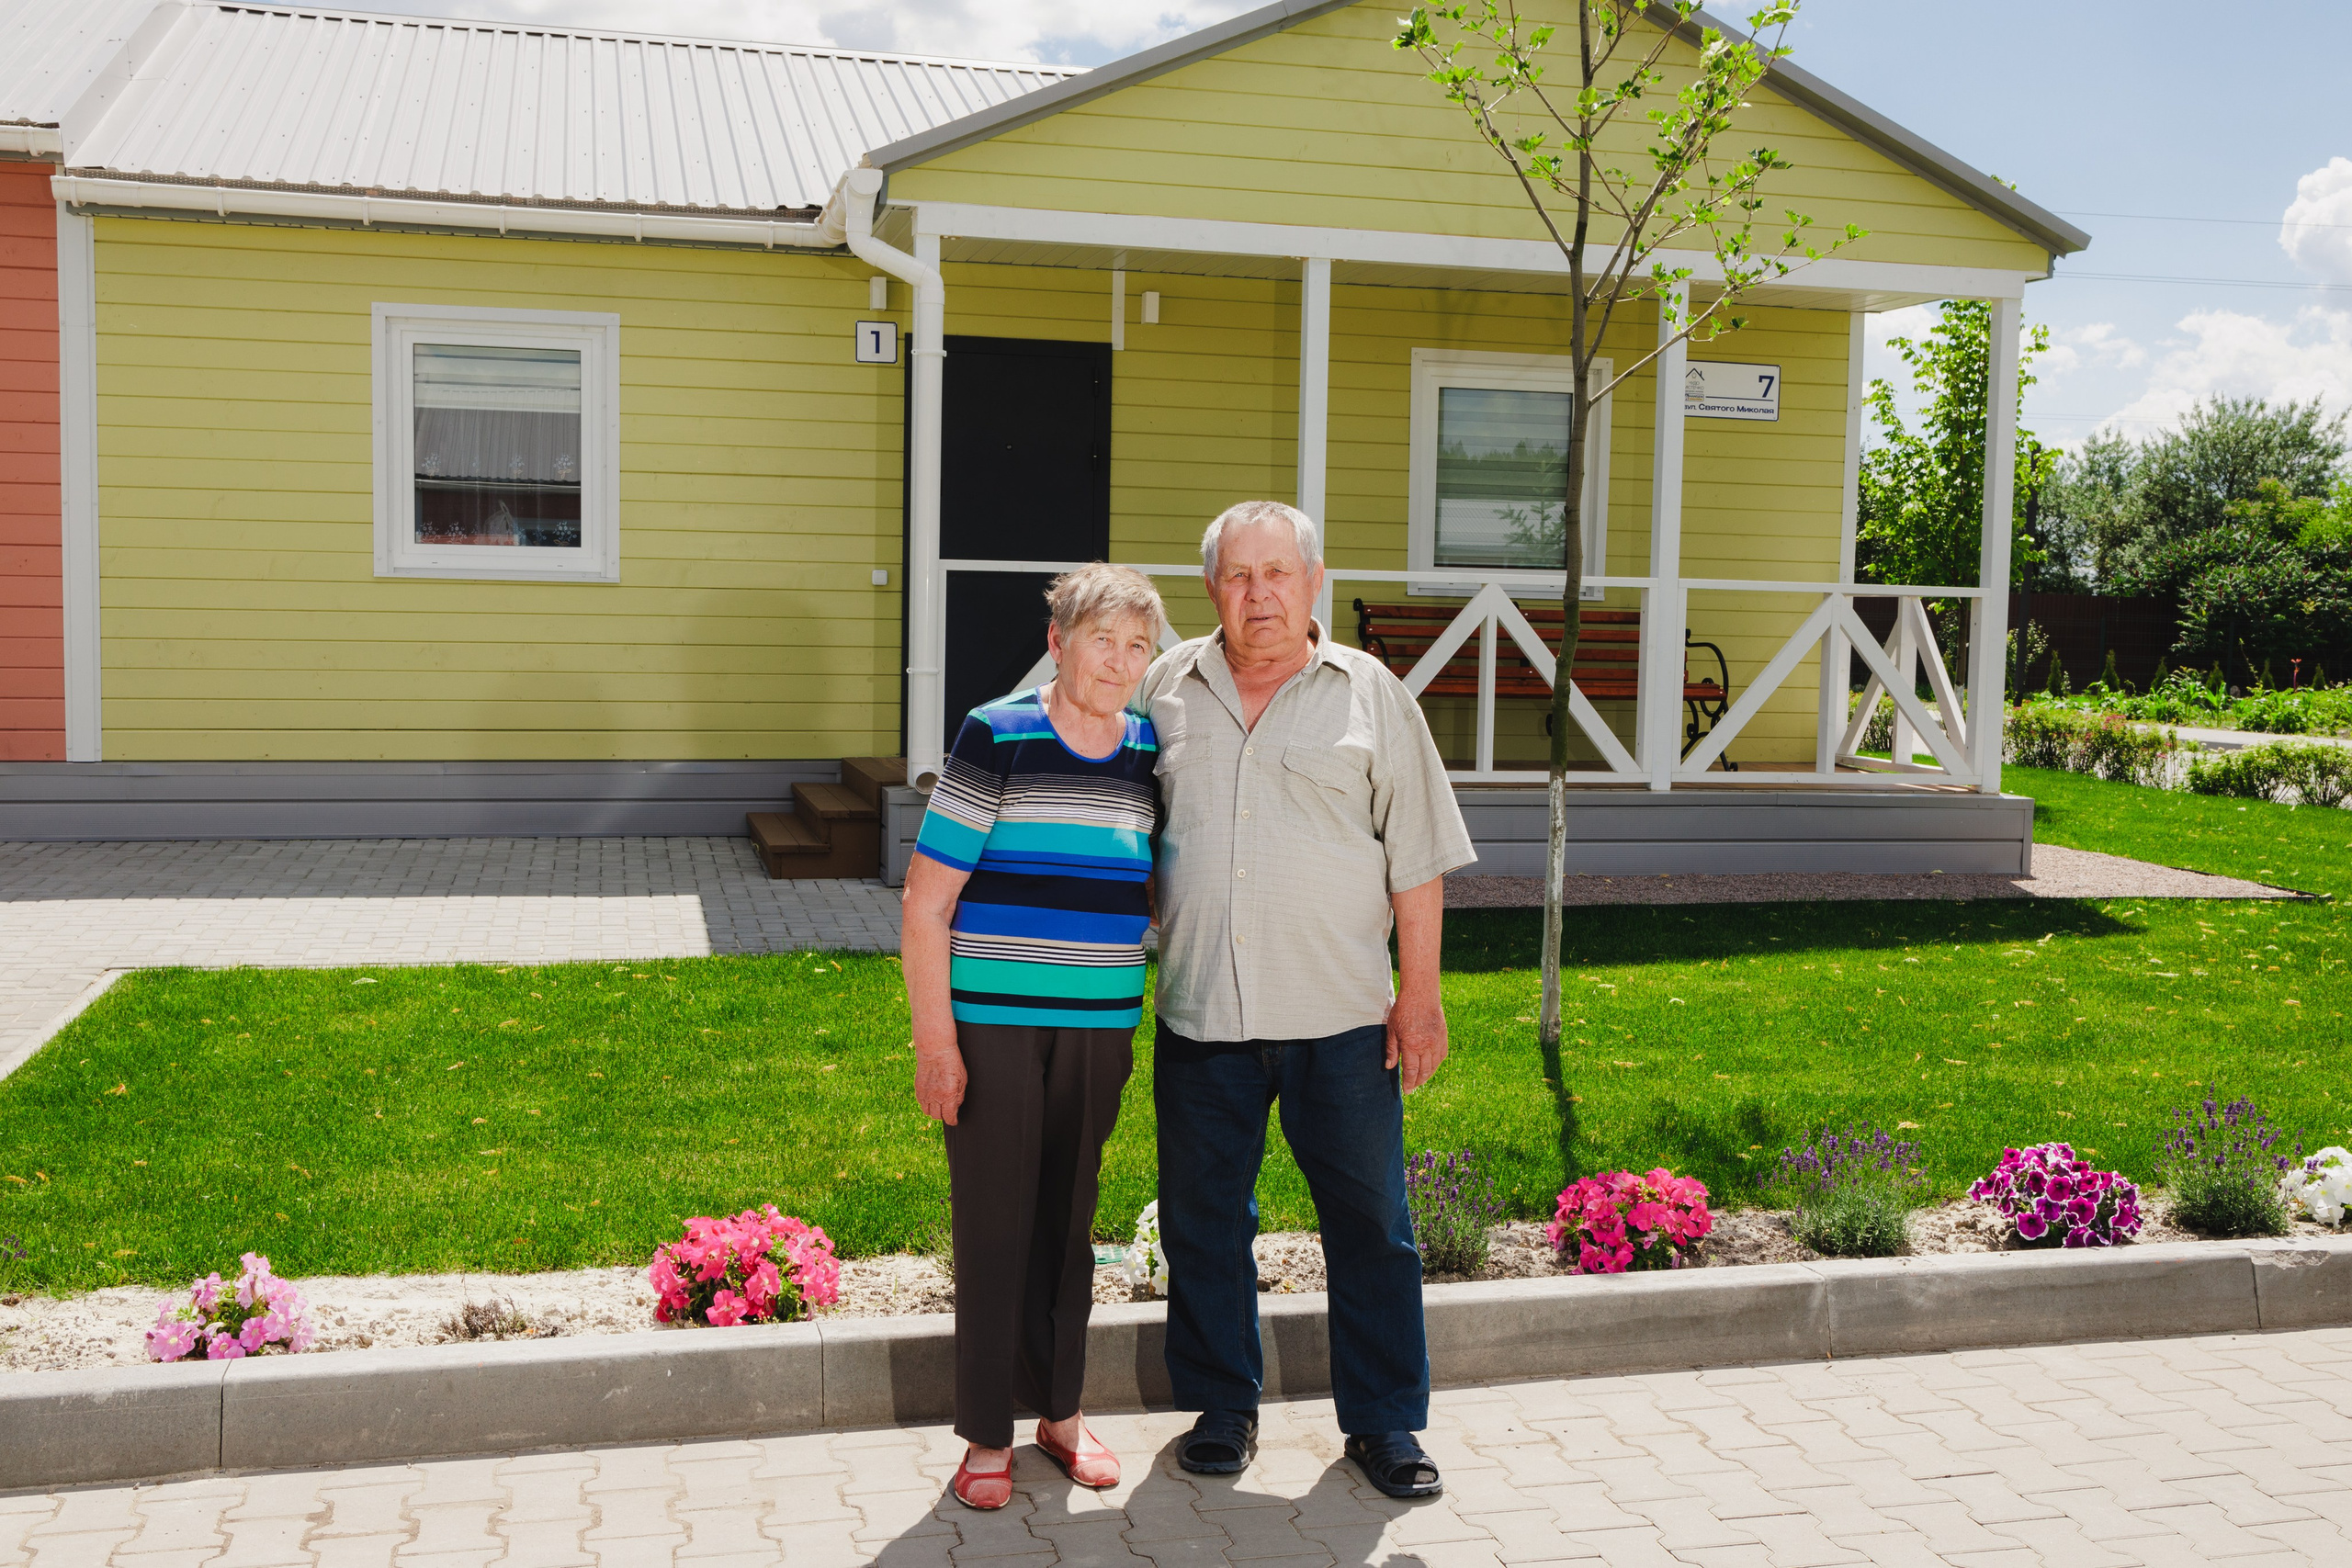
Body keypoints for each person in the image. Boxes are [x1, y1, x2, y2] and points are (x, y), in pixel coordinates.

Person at [1136, 499, 1475, 1500]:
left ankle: (1384, 1426)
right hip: (1203, 1015)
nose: (1259, 595)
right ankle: (1221, 1408)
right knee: (1203, 1221)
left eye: (1278, 573)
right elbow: (1130, 828)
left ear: (1314, 581)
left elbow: (1416, 861)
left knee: (1371, 1226)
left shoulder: (1371, 695)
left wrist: (1420, 997)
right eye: (1239, 577)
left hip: (1341, 1021)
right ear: (1212, 591)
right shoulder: (1164, 687)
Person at [901, 562, 1168, 1510]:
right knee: (995, 1222)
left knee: (1067, 1224)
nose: (1122, 661)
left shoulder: (1145, 747)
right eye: (1104, 639)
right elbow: (927, 903)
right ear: (1057, 644)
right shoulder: (997, 732)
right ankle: (984, 1434)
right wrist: (938, 1045)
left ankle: (1060, 1414)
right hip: (995, 1027)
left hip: (1100, 1026)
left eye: (1138, 645)